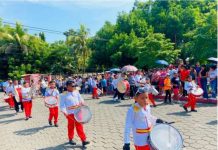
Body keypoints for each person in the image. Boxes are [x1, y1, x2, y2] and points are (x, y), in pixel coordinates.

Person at [60, 80, 90, 148]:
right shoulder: (63, 94)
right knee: (71, 127)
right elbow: (62, 105)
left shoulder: (76, 92)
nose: (74, 87)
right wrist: (65, 112)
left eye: (74, 85)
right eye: (72, 86)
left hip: (78, 111)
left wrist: (82, 103)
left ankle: (83, 140)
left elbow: (81, 99)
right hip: (70, 113)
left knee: (79, 126)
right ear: (67, 86)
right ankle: (70, 138)